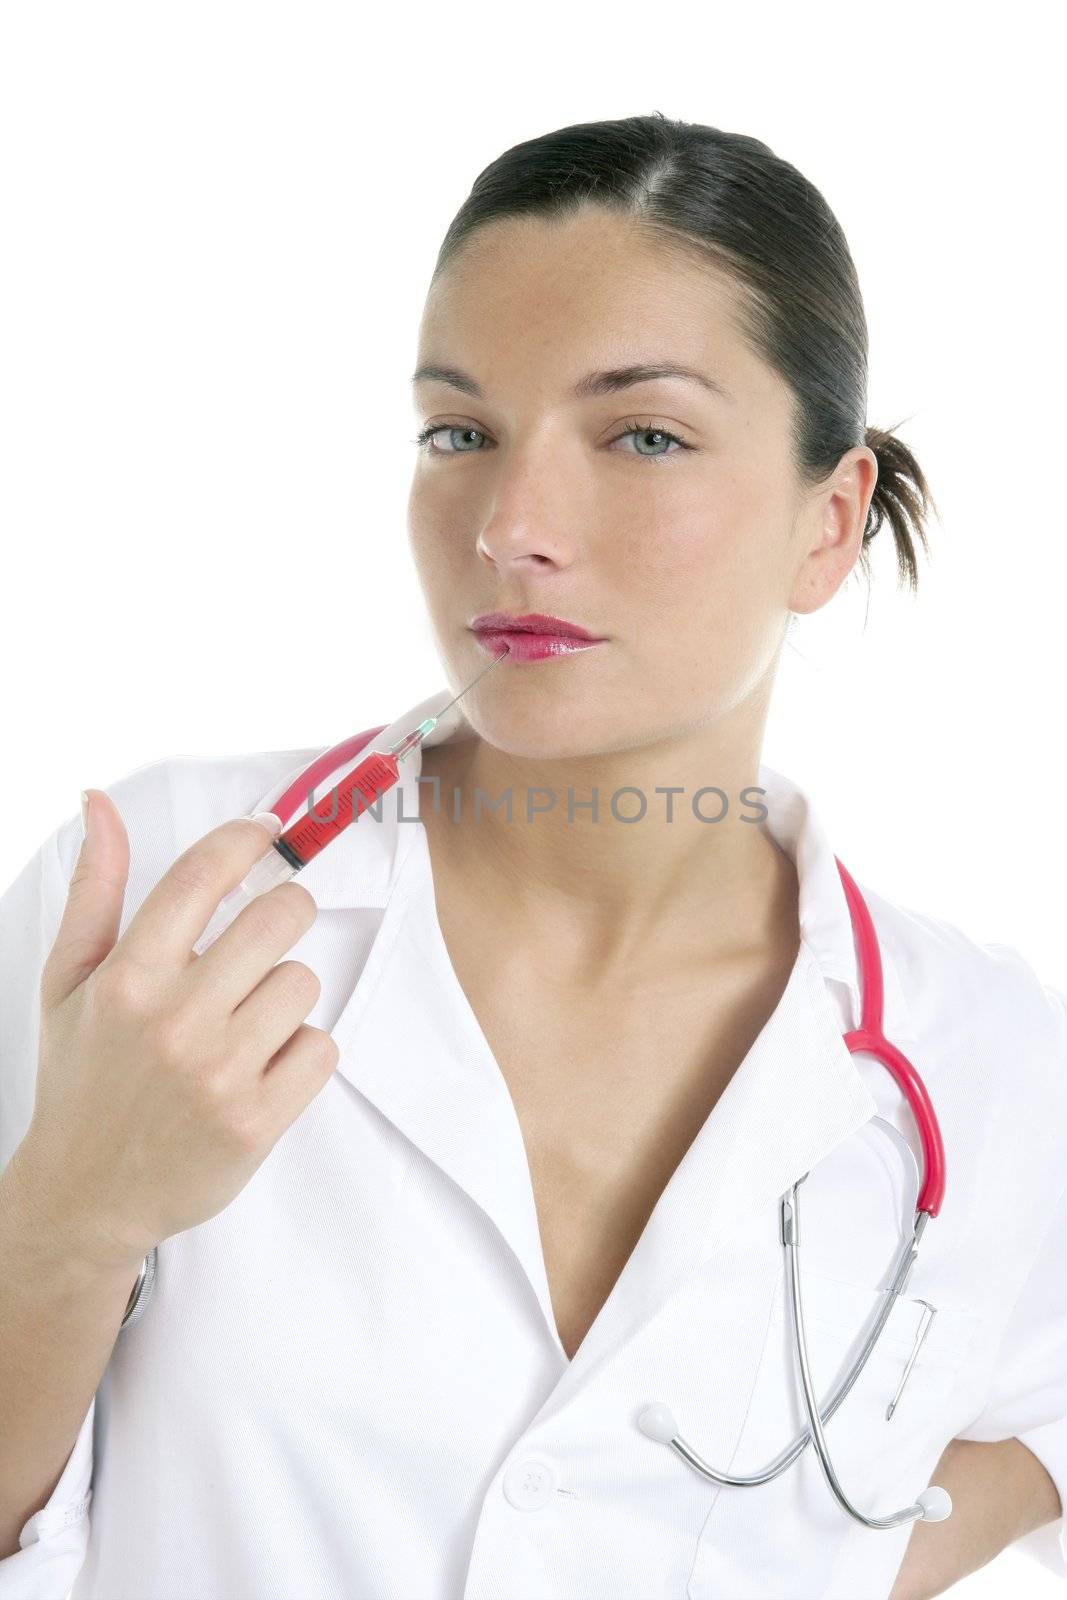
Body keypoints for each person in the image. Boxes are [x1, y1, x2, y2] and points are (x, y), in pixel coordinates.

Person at [1, 111, 1064, 1600]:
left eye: (643, 434)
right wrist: (68, 1221)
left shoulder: (986, 1057)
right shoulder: (160, 902)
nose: (511, 527)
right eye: (461, 432)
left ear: (828, 525)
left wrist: (856, 1552)